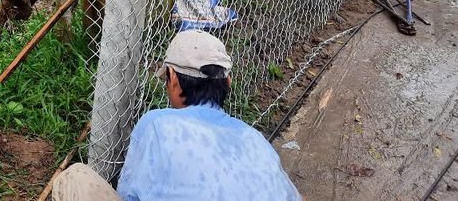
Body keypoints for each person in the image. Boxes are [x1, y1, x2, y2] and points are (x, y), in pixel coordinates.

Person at [52, 30, 301, 201]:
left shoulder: (156, 125)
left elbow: (130, 195)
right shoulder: (255, 139)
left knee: (75, 178)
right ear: (228, 82)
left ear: (172, 79)